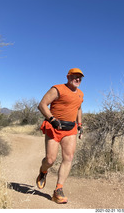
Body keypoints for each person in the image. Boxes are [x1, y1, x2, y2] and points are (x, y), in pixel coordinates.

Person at [36, 68, 84, 204]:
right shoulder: (57, 89)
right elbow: (42, 105)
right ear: (68, 77)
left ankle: (58, 190)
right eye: (75, 77)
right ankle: (43, 171)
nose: (78, 79)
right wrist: (52, 119)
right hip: (54, 127)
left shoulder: (80, 94)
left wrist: (80, 125)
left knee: (68, 157)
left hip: (70, 129)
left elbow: (78, 108)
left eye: (80, 78)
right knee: (50, 160)